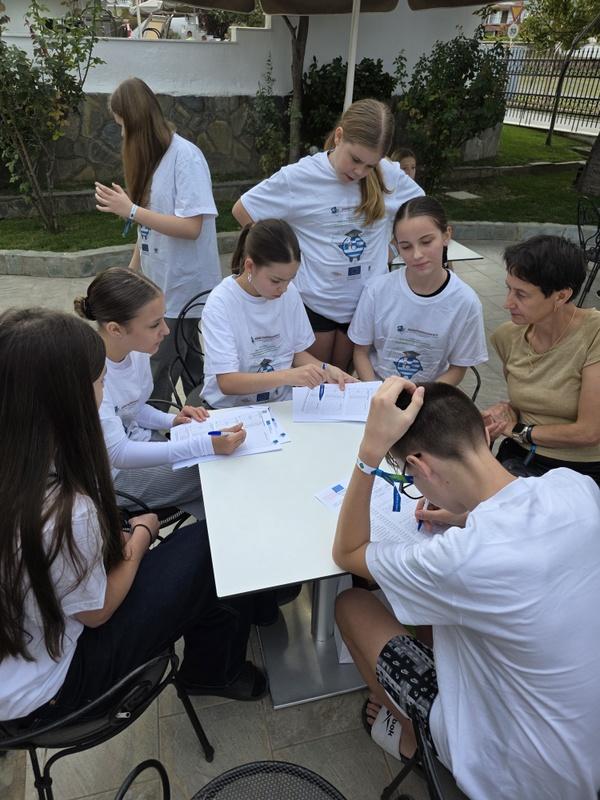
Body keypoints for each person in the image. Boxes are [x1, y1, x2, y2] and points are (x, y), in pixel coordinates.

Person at [332, 377, 600, 800]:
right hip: (584, 751)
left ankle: (412, 740)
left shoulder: (460, 559)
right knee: (438, 616)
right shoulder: (576, 487)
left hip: (517, 776)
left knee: (351, 604)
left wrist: (368, 454)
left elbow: (348, 551)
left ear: (420, 466)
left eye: (408, 477)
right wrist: (466, 515)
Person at [0, 308, 266, 729]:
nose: (104, 390)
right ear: (70, 397)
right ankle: (214, 670)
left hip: (20, 654)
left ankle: (246, 617)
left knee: (199, 553)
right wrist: (141, 534)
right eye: (100, 381)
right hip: (54, 690)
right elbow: (98, 611)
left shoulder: (24, 461)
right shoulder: (64, 508)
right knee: (214, 544)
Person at [232, 99, 423, 371]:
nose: (360, 172)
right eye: (355, 159)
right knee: (315, 383)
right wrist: (283, 259)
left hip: (365, 306)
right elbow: (243, 210)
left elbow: (422, 214)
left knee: (345, 383)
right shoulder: (299, 177)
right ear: (339, 136)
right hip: (314, 304)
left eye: (370, 166)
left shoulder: (389, 175)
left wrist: (391, 249)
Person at [74, 268, 245, 521]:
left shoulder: (136, 351)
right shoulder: (92, 373)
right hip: (111, 477)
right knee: (215, 473)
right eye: (155, 324)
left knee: (216, 466)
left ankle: (207, 531)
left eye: (163, 319)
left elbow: (134, 407)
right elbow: (118, 453)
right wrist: (203, 445)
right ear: (115, 329)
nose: (166, 330)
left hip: (139, 444)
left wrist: (173, 420)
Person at [94, 77, 221, 403]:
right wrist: (132, 274)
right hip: (160, 289)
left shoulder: (185, 158)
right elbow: (148, 228)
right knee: (190, 366)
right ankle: (202, 418)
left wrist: (131, 210)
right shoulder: (153, 159)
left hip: (183, 288)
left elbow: (192, 226)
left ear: (137, 122)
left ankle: (149, 427)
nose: (122, 135)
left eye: (123, 126)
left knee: (158, 372)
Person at [201, 219, 356, 409]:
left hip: (280, 404)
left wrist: (326, 369)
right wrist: (288, 376)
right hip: (230, 409)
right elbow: (227, 382)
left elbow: (295, 353)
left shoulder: (290, 293)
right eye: (275, 281)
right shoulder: (221, 302)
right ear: (250, 266)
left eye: (290, 279)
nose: (283, 288)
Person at [483, 235, 600, 483]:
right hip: (520, 457)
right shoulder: (508, 336)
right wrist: (503, 414)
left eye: (521, 294)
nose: (507, 303)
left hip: (582, 471)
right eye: (508, 289)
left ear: (561, 296)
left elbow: (590, 432)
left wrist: (518, 430)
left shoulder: (594, 335)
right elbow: (530, 400)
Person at [349, 197, 487, 385]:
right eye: (406, 246)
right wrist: (375, 391)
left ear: (446, 235)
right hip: (377, 389)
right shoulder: (376, 290)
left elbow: (458, 368)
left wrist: (421, 397)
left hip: (430, 395)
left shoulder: (466, 302)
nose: (417, 255)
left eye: (426, 242)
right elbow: (360, 352)